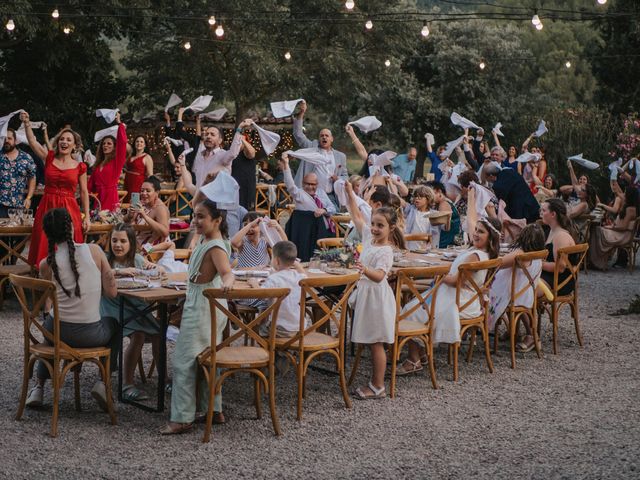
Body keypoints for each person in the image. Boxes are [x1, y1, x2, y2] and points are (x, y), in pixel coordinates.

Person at [397, 188, 502, 375]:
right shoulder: (484, 253)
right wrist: (471, 198)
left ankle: (413, 360)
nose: (476, 234)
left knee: (410, 311)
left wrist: (438, 274)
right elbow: (470, 223)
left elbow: (456, 282)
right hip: (465, 297)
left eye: (481, 232)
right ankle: (421, 355)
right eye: (476, 230)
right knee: (416, 305)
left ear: (490, 237)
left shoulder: (476, 256)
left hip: (459, 300)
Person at [25, 208, 118, 411]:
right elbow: (112, 293)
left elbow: (49, 301)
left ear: (47, 234)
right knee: (115, 325)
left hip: (59, 335)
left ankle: (39, 388)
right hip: (91, 334)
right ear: (73, 226)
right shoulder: (94, 251)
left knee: (50, 326)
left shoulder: (46, 264)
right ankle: (103, 382)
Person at [162, 199, 234, 435]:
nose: (196, 220)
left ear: (217, 220)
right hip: (202, 303)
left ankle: (182, 417)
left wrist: (227, 284)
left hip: (203, 307)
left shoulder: (215, 246)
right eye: (195, 215)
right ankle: (213, 409)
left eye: (202, 216)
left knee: (183, 361)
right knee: (204, 357)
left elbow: (226, 272)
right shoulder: (207, 240)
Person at [343, 181, 403, 400]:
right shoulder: (368, 237)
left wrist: (364, 269)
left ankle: (378, 386)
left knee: (376, 342)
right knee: (369, 340)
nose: (375, 228)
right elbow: (355, 214)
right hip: (367, 296)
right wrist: (350, 193)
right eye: (374, 224)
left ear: (390, 229)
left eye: (380, 225)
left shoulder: (386, 250)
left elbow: (380, 276)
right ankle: (374, 382)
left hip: (377, 298)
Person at [21, 112, 90, 268]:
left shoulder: (80, 167)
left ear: (74, 146)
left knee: (68, 243)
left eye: (68, 140)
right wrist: (27, 123)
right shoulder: (49, 158)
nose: (64, 142)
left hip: (69, 208)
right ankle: (43, 279)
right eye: (62, 139)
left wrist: (87, 217)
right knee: (44, 242)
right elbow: (33, 142)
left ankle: (68, 278)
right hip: (47, 206)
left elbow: (84, 192)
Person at [100, 223, 161, 401]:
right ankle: (127, 385)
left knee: (159, 332)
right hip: (112, 307)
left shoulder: (137, 259)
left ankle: (164, 379)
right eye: (114, 240)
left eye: (123, 241)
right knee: (138, 335)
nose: (118, 245)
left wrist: (156, 269)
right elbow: (99, 275)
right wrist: (120, 271)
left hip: (136, 307)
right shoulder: (104, 259)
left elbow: (154, 272)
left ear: (131, 243)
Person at [488, 223, 546, 352]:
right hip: (527, 294)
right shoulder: (538, 255)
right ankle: (515, 332)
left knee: (480, 290)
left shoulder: (519, 254)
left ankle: (469, 329)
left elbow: (497, 264)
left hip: (513, 296)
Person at [174, 107, 253, 188]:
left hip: (218, 200)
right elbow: (192, 186)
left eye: (212, 134)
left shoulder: (223, 155)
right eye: (206, 134)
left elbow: (233, 153)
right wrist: (183, 165)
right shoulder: (199, 157)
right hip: (199, 198)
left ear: (220, 141)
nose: (208, 136)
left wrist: (239, 129)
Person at [280, 152, 336, 261]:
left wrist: (324, 210)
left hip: (322, 229)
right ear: (302, 183)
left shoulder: (321, 193)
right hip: (304, 231)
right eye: (307, 184)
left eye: (313, 184)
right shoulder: (299, 194)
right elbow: (290, 185)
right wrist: (286, 165)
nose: (310, 187)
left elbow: (333, 209)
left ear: (317, 184)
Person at [248, 240, 307, 338]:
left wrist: (254, 283)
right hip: (299, 327)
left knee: (258, 328)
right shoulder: (300, 278)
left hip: (279, 329)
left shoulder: (273, 279)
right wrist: (296, 264)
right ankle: (285, 351)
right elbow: (304, 274)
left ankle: (272, 351)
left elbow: (262, 295)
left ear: (277, 261)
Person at [293, 101, 348, 199]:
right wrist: (301, 113)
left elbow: (345, 176)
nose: (324, 137)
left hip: (331, 196)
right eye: (321, 136)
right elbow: (298, 134)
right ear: (319, 139)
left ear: (331, 139)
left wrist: (338, 178)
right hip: (311, 195)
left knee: (333, 214)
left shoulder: (340, 156)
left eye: (327, 136)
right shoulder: (311, 149)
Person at [589, 187, 639, 270]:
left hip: (622, 236)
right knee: (598, 229)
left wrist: (611, 227)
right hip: (620, 232)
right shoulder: (631, 207)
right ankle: (596, 261)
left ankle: (597, 262)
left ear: (630, 196)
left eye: (625, 193)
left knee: (597, 230)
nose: (624, 194)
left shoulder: (630, 209)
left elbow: (623, 227)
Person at [538, 199, 577, 297]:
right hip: (548, 275)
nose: (541, 213)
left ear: (553, 214)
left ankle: (525, 311)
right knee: (516, 283)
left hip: (560, 281)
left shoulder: (561, 236)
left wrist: (537, 263)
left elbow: (560, 267)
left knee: (521, 291)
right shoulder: (551, 231)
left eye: (544, 211)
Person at [88, 112, 127, 211]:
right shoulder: (98, 164)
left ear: (114, 147)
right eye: (104, 144)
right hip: (98, 200)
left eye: (109, 143)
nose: (105, 145)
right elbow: (90, 185)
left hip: (111, 199)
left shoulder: (116, 162)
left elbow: (122, 144)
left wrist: (120, 124)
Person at [0, 127, 36, 217]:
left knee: (17, 230)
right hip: (0, 205)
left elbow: (32, 177)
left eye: (9, 138)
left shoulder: (26, 158)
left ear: (15, 141)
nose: (6, 141)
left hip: (18, 205)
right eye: (4, 138)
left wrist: (28, 197)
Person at [125, 176, 170, 247]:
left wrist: (145, 216)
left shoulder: (160, 208)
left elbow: (165, 232)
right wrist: (129, 215)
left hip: (152, 248)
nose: (144, 193)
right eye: (142, 190)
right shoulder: (141, 204)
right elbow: (126, 223)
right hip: (137, 242)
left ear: (157, 192)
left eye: (148, 191)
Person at [426, 180, 460, 248]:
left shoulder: (443, 204)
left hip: (446, 241)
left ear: (439, 191)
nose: (429, 197)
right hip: (449, 239)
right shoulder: (446, 202)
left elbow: (441, 225)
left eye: (431, 193)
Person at [123, 135, 154, 203]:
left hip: (138, 184)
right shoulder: (131, 155)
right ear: (134, 143)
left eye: (141, 142)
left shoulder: (147, 157)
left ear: (145, 145)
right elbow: (124, 143)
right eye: (137, 141)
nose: (139, 143)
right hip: (127, 181)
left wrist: (148, 189)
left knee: (134, 203)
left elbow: (150, 175)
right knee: (126, 201)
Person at [230, 135, 257, 210]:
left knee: (246, 211)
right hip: (234, 187)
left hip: (246, 188)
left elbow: (252, 153)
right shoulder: (232, 153)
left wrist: (243, 140)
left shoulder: (246, 152)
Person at [403, 185, 434, 250]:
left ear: (428, 199)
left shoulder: (433, 214)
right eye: (415, 196)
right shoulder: (411, 209)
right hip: (410, 246)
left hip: (425, 247)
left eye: (420, 197)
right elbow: (399, 200)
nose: (417, 198)